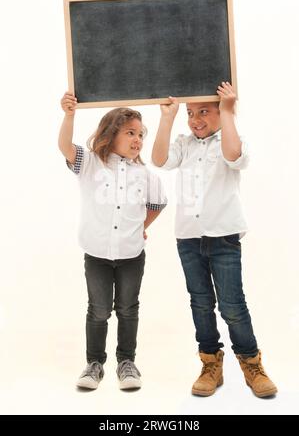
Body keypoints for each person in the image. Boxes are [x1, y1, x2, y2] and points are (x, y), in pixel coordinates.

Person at [151, 82, 277, 398]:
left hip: (224, 237)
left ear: (219, 113)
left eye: (203, 112)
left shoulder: (229, 140)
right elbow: (159, 159)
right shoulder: (184, 144)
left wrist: (228, 112)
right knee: (201, 302)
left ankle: (251, 363)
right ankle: (210, 362)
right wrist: (168, 118)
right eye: (191, 113)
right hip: (189, 239)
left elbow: (234, 156)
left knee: (233, 305)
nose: (195, 119)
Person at [58, 92, 167, 391]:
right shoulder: (90, 163)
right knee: (99, 309)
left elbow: (158, 204)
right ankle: (94, 363)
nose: (138, 140)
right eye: (130, 132)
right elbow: (65, 147)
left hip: (132, 255)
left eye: (141, 135)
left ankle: (126, 362)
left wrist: (140, 227)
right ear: (111, 132)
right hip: (97, 254)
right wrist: (69, 115)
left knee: (128, 308)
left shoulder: (144, 174)